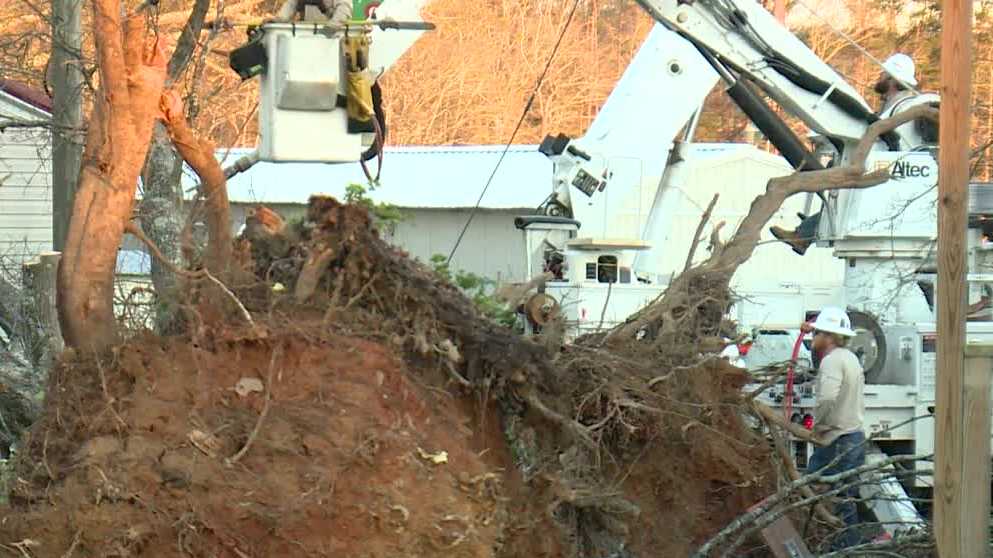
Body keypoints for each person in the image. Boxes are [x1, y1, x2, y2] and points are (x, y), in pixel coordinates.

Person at [769, 53, 920, 255]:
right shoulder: (898, 105)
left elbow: (887, 136)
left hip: (887, 173)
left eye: (884, 74)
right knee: (840, 192)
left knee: (846, 189)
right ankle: (810, 229)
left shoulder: (905, 107)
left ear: (892, 78)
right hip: (883, 170)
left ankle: (804, 234)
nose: (880, 77)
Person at [802, 306, 865, 550]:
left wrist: (817, 427)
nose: (812, 337)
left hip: (837, 438)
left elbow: (827, 398)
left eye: (817, 333)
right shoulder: (849, 358)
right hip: (855, 436)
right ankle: (846, 547)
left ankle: (818, 544)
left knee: (809, 489)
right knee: (845, 497)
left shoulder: (831, 361)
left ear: (828, 337)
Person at [277, 0, 352, 23]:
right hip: (305, 34)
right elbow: (290, 6)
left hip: (331, 39)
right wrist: (279, 20)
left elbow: (344, 10)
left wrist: (333, 24)